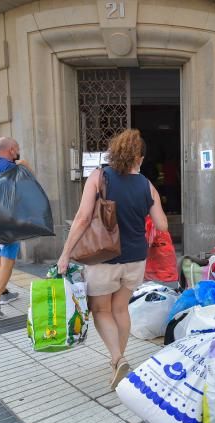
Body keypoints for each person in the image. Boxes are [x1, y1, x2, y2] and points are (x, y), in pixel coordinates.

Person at [57, 129, 168, 390]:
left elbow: (83, 218)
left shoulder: (99, 177)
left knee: (101, 310)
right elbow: (162, 224)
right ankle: (117, 360)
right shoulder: (146, 184)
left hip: (104, 258)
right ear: (138, 157)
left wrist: (65, 254)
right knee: (120, 309)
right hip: (135, 259)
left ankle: (118, 358)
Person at [0, 137, 27, 318]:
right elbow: (30, 182)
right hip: (8, 220)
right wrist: (24, 164)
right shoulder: (11, 168)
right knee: (8, 260)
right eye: (16, 149)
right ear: (11, 150)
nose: (18, 152)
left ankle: (4, 293)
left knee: (0, 255)